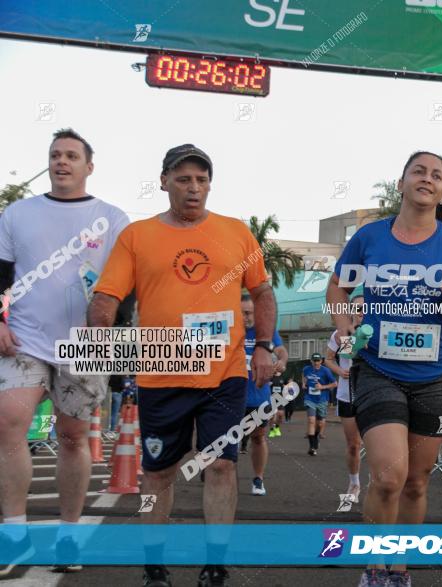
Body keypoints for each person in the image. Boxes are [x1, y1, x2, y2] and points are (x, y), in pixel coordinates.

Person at [87, 144, 276, 587]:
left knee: (222, 464)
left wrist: (264, 345)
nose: (194, 188)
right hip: (161, 373)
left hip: (224, 374)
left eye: (201, 180)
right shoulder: (137, 236)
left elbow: (263, 293)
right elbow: (106, 298)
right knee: (158, 473)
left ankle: (215, 564)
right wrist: (101, 343)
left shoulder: (236, 233)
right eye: (183, 179)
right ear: (164, 181)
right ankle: (155, 566)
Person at [326, 151, 442, 587]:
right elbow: (338, 283)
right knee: (390, 477)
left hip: (435, 377)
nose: (426, 179)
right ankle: (374, 568)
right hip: (378, 370)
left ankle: (400, 571)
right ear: (402, 183)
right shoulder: (370, 237)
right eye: (419, 171)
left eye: (436, 175)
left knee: (416, 481)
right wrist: (342, 327)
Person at [0, 129, 130, 576]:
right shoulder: (18, 213)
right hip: (24, 339)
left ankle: (68, 538)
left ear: (88, 166)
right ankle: (15, 535)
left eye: (72, 156)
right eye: (55, 155)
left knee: (74, 437)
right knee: (8, 426)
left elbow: (126, 287)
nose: (62, 162)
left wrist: (112, 336)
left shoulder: (112, 218)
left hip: (85, 344)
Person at [239, 293, 287, 495]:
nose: (246, 318)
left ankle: (258, 479)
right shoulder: (227, 330)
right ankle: (218, 474)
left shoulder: (264, 332)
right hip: (230, 397)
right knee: (222, 440)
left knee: (258, 438)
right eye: (242, 313)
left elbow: (281, 350)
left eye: (250, 313)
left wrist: (281, 362)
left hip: (258, 397)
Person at [325, 294, 365, 501]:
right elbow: (329, 359)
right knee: (353, 444)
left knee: (378, 444)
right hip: (347, 394)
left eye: (365, 308)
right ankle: (354, 483)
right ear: (350, 311)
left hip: (373, 394)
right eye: (357, 308)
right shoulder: (340, 335)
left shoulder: (376, 333)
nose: (361, 312)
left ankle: (382, 485)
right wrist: (340, 372)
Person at [302, 353, 336, 455]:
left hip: (322, 399)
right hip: (309, 398)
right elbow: (304, 376)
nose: (316, 362)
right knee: (311, 420)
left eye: (318, 360)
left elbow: (335, 383)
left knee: (320, 424)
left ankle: (316, 436)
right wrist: (304, 383)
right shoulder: (306, 369)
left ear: (321, 361)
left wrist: (322, 387)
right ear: (311, 361)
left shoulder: (326, 371)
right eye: (314, 360)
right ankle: (312, 447)